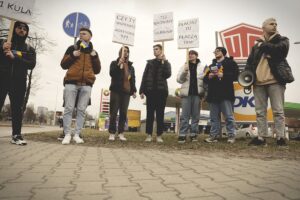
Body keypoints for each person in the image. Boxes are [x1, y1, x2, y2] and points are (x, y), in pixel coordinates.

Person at [245, 18, 289, 146]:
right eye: (271, 24)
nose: (274, 26)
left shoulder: (283, 40)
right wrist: (247, 78)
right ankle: (261, 137)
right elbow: (250, 62)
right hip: (258, 82)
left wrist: (263, 44)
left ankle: (280, 138)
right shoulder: (256, 46)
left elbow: (280, 50)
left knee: (278, 111)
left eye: (276, 24)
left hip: (275, 81)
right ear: (263, 27)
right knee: (260, 112)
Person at [60, 27, 101, 145]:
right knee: (68, 108)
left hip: (87, 84)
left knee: (82, 110)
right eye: (80, 34)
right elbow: (63, 64)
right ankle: (67, 134)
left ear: (90, 37)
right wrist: (72, 55)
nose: (81, 35)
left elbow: (97, 70)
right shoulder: (72, 48)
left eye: (84, 34)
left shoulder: (94, 52)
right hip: (71, 83)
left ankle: (77, 134)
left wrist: (95, 57)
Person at [0, 21, 36, 145]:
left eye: (25, 29)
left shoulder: (29, 49)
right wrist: (2, 48)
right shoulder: (4, 43)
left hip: (19, 82)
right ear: (14, 29)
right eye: (19, 27)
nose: (22, 30)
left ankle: (16, 135)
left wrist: (16, 58)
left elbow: (31, 64)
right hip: (2, 79)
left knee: (17, 109)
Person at [203, 47, 238, 143]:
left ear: (223, 52)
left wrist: (224, 75)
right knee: (213, 117)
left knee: (229, 116)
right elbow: (205, 80)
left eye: (217, 51)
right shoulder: (211, 66)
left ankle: (231, 135)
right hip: (213, 94)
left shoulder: (231, 63)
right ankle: (213, 136)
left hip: (226, 93)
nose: (215, 53)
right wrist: (208, 76)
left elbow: (236, 76)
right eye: (214, 51)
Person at [139, 44, 171, 143]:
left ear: (161, 50)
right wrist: (142, 90)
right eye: (153, 49)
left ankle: (159, 135)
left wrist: (164, 62)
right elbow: (145, 76)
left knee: (160, 114)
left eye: (156, 49)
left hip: (161, 92)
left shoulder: (166, 63)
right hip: (151, 92)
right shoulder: (150, 63)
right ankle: (149, 134)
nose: (154, 50)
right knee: (150, 114)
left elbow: (167, 74)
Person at [108, 46, 137, 141]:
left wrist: (133, 90)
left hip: (126, 92)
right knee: (114, 112)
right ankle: (112, 132)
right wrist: (118, 65)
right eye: (124, 51)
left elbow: (132, 79)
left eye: (127, 51)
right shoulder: (114, 63)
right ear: (120, 52)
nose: (125, 53)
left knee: (123, 113)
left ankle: (121, 133)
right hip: (116, 90)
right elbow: (112, 73)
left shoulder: (131, 67)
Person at [176, 50, 205, 143]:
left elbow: (206, 80)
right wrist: (184, 71)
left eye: (192, 54)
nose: (190, 55)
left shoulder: (202, 66)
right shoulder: (184, 65)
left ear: (196, 55)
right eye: (189, 54)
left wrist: (204, 93)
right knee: (185, 116)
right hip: (186, 94)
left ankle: (193, 134)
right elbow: (179, 80)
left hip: (197, 94)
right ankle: (182, 134)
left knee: (195, 116)